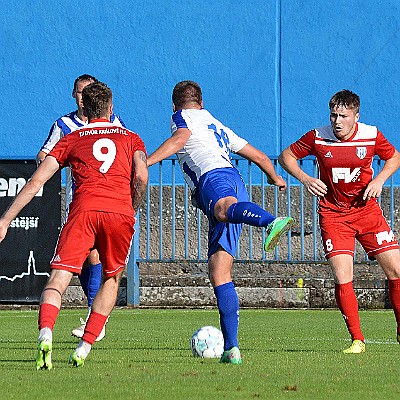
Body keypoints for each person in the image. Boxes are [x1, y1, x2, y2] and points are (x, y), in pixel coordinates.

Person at [0, 82, 148, 369]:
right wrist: (130, 208)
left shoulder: (73, 138)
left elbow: (36, 182)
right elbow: (141, 176)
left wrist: (5, 220)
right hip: (119, 212)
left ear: (85, 108)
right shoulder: (131, 137)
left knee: (57, 280)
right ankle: (84, 347)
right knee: (111, 279)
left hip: (83, 211)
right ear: (110, 108)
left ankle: (46, 334)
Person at [147, 80, 293, 364]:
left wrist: (147, 162)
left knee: (224, 209)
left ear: (174, 105)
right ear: (201, 102)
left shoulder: (181, 118)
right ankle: (232, 349)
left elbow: (180, 139)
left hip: (215, 178)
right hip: (234, 179)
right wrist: (274, 177)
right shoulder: (216, 124)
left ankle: (270, 221)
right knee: (219, 271)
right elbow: (259, 155)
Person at [278, 89, 400, 354]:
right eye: (333, 115)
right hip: (334, 216)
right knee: (343, 276)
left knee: (397, 271)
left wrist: (379, 181)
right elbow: (285, 156)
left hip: (367, 213)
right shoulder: (317, 136)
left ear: (356, 116)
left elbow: (394, 157)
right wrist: (306, 178)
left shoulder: (371, 135)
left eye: (343, 116)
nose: (337, 121)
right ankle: (357, 340)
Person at [37, 74, 126, 341]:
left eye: (86, 92)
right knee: (86, 261)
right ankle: (95, 314)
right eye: (78, 92)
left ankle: (93, 317)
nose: (82, 97)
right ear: (74, 95)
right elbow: (44, 154)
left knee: (95, 255)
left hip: (104, 201)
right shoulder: (64, 124)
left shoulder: (113, 122)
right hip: (80, 200)